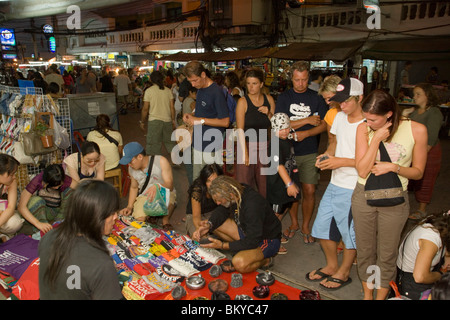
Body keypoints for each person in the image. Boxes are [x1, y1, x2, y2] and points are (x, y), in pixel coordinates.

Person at [352, 89, 428, 300]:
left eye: (373, 119)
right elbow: (362, 170)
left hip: (395, 198)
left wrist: (393, 167)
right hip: (364, 196)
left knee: (387, 254)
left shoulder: (417, 130)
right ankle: (368, 296)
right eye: (365, 117)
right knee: (366, 252)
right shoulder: (363, 128)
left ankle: (380, 297)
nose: (367, 122)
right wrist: (375, 138)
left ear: (389, 114)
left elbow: (418, 172)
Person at [307, 78, 365, 290]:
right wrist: (326, 156)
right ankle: (332, 266)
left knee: (349, 233)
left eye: (346, 101)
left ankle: (345, 270)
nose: (341, 105)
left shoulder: (368, 123)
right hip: (335, 181)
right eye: (339, 101)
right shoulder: (340, 117)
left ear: (359, 98)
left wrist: (340, 161)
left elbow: (371, 162)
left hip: (354, 185)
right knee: (322, 227)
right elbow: (334, 144)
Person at [38, 180, 123, 300]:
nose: (116, 217)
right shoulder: (101, 264)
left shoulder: (49, 236)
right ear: (97, 215)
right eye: (112, 212)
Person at [274, 61, 328, 244]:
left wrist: (306, 132)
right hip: (287, 151)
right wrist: (307, 119)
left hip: (309, 150)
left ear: (309, 78)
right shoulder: (284, 98)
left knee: (310, 189)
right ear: (291, 79)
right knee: (291, 191)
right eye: (297, 80)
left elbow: (323, 125)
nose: (300, 83)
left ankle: (306, 226)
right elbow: (279, 123)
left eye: (304, 80)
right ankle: (295, 223)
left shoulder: (317, 98)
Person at [192, 175, 282, 273]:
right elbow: (222, 210)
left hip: (266, 240)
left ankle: (266, 261)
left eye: (219, 200)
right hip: (248, 232)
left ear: (230, 195)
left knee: (239, 263)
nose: (217, 203)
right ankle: (246, 251)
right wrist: (208, 225)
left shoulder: (252, 206)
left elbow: (253, 241)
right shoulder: (237, 191)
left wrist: (223, 245)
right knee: (215, 224)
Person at [182, 61, 229, 180]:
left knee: (212, 182)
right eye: (190, 81)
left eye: (194, 80)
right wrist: (190, 115)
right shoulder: (201, 89)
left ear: (203, 74)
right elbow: (203, 111)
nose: (192, 85)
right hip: (198, 142)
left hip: (210, 145)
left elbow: (225, 122)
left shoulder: (216, 92)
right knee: (198, 180)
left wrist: (199, 120)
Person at [235, 68, 275, 198]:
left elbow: (276, 125)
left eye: (254, 83)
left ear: (261, 84)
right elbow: (240, 129)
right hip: (245, 144)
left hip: (264, 145)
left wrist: (268, 113)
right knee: (245, 185)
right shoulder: (243, 101)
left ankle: (263, 213)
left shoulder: (269, 100)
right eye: (248, 83)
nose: (251, 87)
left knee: (265, 184)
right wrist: (245, 152)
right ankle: (246, 214)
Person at [119, 142, 176, 231]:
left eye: (130, 161)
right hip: (145, 195)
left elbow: (170, 185)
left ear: (140, 157)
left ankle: (165, 220)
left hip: (163, 192)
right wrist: (129, 206)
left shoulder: (161, 161)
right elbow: (134, 187)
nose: (129, 165)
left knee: (169, 201)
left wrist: (158, 186)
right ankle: (151, 215)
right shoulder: (131, 169)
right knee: (139, 220)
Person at [408, 83, 444, 220]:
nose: (414, 97)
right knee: (415, 180)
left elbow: (431, 138)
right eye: (414, 94)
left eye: (418, 94)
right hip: (415, 150)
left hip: (429, 152)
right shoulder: (416, 111)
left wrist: (420, 156)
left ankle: (422, 209)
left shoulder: (434, 112)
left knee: (426, 179)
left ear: (427, 95)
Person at [266, 113, 301, 254]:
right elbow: (279, 166)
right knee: (274, 216)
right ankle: (270, 241)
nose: (285, 131)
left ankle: (274, 237)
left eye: (287, 127)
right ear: (274, 130)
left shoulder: (285, 140)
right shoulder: (275, 143)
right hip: (278, 187)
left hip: (286, 184)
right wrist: (289, 184)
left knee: (282, 210)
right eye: (281, 129)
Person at [396, 211, 449, 300]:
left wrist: (446, 262)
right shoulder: (431, 239)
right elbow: (419, 277)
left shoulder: (441, 223)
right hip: (411, 282)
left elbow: (447, 250)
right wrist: (440, 275)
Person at [18, 164, 77, 236]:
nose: (58, 187)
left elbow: (81, 190)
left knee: (71, 192)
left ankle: (58, 223)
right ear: (47, 182)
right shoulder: (37, 181)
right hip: (39, 214)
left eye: (60, 185)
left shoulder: (64, 179)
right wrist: (38, 223)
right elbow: (21, 207)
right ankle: (44, 229)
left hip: (56, 212)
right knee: (36, 201)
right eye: (55, 186)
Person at [139, 70, 176, 157]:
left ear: (151, 80)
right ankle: (174, 159)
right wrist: (173, 120)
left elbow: (145, 109)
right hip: (167, 120)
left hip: (154, 121)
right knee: (169, 141)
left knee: (153, 144)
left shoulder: (149, 91)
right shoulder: (168, 91)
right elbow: (172, 107)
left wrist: (142, 121)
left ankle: (155, 163)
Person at [185, 164, 223, 237]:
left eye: (215, 181)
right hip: (195, 216)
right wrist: (201, 232)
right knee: (200, 239)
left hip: (214, 214)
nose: (211, 184)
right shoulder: (197, 190)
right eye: (208, 181)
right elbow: (196, 217)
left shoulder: (222, 187)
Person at [0, 154, 23, 242]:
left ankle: (5, 234)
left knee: (15, 223)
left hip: (2, 215)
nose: (14, 177)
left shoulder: (12, 182)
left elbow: (11, 208)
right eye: (11, 174)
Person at [318, 74, 342, 146]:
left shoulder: (354, 111)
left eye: (330, 98)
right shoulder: (330, 114)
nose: (327, 102)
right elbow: (331, 141)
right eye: (325, 99)